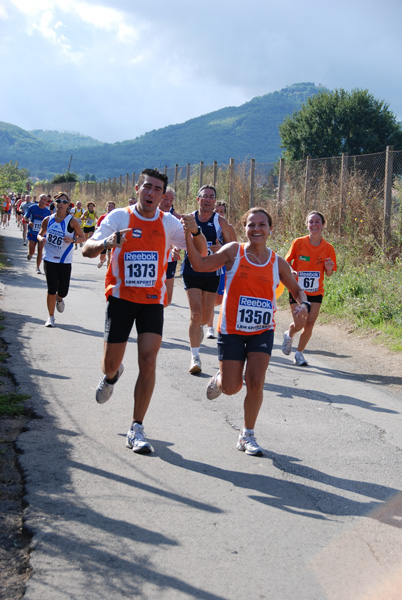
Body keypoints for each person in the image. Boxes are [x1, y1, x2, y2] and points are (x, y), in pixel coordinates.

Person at [82, 168, 207, 455]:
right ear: (138, 188)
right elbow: (87, 248)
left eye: (157, 190)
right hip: (121, 298)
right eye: (147, 187)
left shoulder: (170, 223)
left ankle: (137, 427)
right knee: (110, 363)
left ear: (164, 196)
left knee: (149, 359)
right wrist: (108, 242)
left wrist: (195, 229)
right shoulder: (119, 218)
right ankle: (112, 376)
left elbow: (200, 253)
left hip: (152, 300)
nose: (151, 194)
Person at [184, 207, 310, 456]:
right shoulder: (234, 252)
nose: (256, 229)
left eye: (262, 225)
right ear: (244, 229)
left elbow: (297, 290)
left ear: (270, 229)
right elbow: (200, 264)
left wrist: (303, 305)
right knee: (232, 387)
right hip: (231, 330)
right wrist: (190, 234)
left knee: (255, 381)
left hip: (262, 330)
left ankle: (247, 434)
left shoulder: (277, 262)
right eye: (251, 225)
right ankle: (221, 380)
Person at [181, 184, 234, 374]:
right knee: (195, 314)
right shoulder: (188, 219)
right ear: (198, 199)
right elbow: (177, 239)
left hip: (212, 271)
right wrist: (174, 249)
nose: (208, 199)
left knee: (205, 316)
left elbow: (234, 246)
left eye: (211, 196)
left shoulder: (221, 222)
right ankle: (195, 357)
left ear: (215, 201)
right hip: (191, 269)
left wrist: (220, 250)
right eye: (204, 196)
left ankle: (200, 329)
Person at [281, 210, 337, 366]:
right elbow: (286, 262)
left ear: (323, 225)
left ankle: (299, 354)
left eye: (317, 221)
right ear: (307, 225)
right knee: (299, 323)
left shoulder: (328, 248)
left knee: (310, 324)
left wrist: (328, 267)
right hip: (297, 290)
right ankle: (290, 334)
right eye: (311, 222)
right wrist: (291, 270)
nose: (314, 225)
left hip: (316, 291)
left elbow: (330, 274)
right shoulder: (298, 243)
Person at [37, 192, 85, 328]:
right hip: (49, 259)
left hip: (64, 261)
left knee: (63, 291)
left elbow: (82, 237)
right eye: (59, 201)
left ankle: (60, 298)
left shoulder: (72, 221)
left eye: (64, 202)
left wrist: (73, 240)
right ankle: (51, 317)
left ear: (68, 205)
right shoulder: (48, 219)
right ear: (55, 203)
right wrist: (41, 239)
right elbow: (40, 234)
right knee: (51, 288)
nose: (61, 204)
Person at [206, 201, 237, 339]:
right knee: (211, 296)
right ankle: (210, 327)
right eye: (216, 210)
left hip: (224, 264)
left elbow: (235, 246)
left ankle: (205, 315)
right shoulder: (206, 224)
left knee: (219, 299)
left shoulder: (227, 227)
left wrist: (222, 249)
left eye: (222, 211)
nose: (219, 213)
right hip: (209, 263)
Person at [159, 187, 181, 306]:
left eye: (171, 200)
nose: (168, 202)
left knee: (167, 300)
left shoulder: (175, 218)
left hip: (169, 260)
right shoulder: (150, 215)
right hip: (154, 260)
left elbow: (180, 239)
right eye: (165, 198)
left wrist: (175, 248)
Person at [25, 193, 51, 274]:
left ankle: (38, 267)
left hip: (42, 234)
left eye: (45, 200)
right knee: (32, 250)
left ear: (47, 201)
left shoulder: (47, 211)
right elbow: (25, 217)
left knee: (40, 251)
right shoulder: (32, 208)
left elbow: (50, 223)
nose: (43, 201)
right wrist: (29, 222)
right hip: (32, 232)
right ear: (38, 199)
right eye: (41, 199)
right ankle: (30, 253)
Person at [96, 201, 116, 268]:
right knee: (102, 256)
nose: (110, 208)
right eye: (108, 206)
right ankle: (102, 260)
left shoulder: (116, 217)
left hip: (112, 239)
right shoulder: (102, 217)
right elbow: (97, 226)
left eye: (112, 206)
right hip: (104, 239)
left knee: (110, 256)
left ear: (114, 208)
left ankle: (108, 271)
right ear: (106, 207)